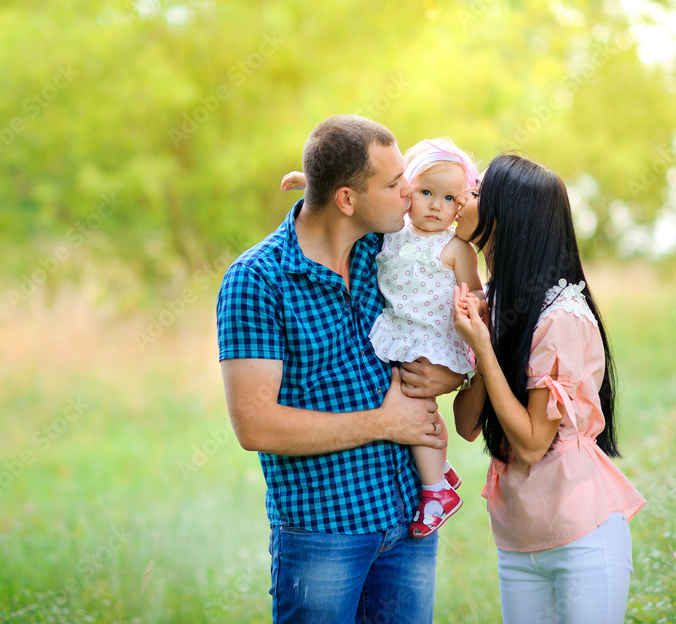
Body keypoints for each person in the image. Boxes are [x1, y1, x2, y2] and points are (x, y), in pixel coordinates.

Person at [216, 114, 467, 623]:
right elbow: (255, 425)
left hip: (409, 521)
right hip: (324, 532)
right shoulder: (257, 280)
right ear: (347, 200)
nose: (409, 192)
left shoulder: (383, 248)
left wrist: (454, 374)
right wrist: (386, 423)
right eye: (395, 184)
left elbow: (463, 217)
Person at [449, 153, 646, 624]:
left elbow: (534, 443)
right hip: (518, 541)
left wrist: (484, 347)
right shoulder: (499, 303)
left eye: (474, 193)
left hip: (582, 537)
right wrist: (485, 340)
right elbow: (467, 425)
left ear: (506, 214)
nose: (459, 200)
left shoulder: (562, 318)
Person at [281, 137, 484, 538]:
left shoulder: (457, 248)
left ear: (459, 206)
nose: (435, 206)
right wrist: (310, 181)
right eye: (425, 193)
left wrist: (473, 306)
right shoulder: (392, 231)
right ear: (408, 191)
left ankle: (436, 490)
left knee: (415, 400)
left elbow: (476, 292)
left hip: (432, 337)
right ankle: (438, 467)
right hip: (399, 331)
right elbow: (355, 195)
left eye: (448, 198)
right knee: (410, 399)